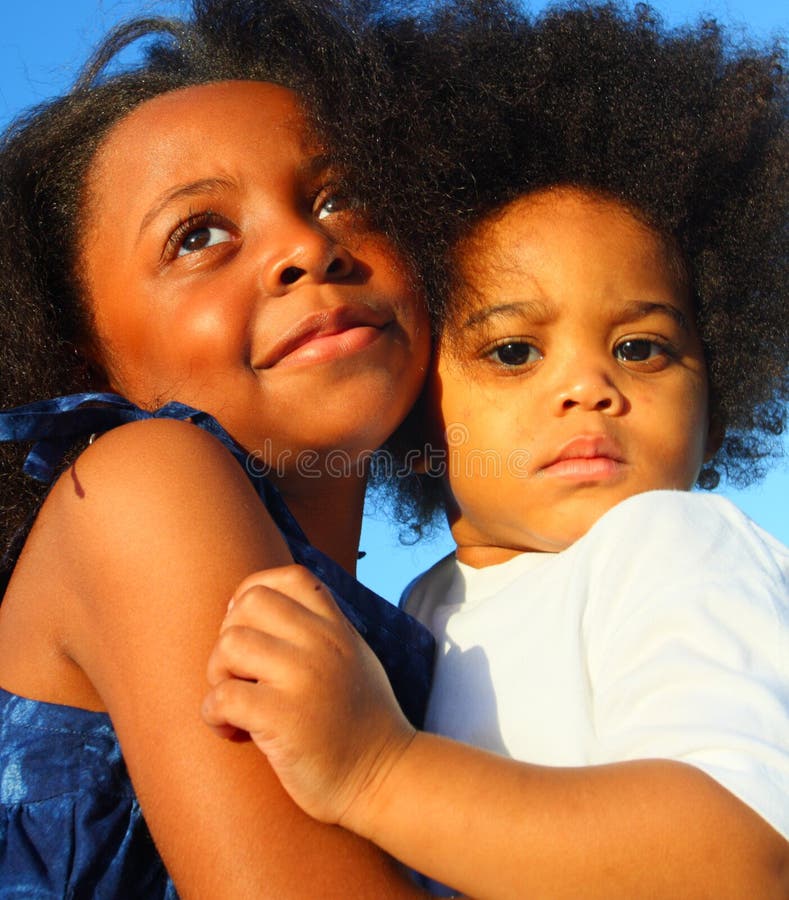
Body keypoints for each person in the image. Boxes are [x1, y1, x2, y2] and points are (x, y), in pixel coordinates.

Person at [200, 3, 789, 897]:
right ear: (421, 413)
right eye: (514, 352)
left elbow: (742, 856)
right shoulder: (427, 603)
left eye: (640, 348)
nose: (588, 387)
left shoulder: (675, 544)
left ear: (712, 413)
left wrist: (375, 770)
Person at [0, 0, 439, 896]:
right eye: (198, 235)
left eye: (339, 197)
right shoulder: (140, 481)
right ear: (85, 354)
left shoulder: (439, 626)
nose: (306, 247)